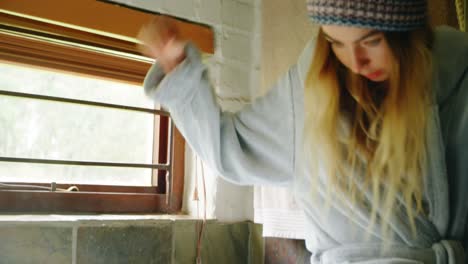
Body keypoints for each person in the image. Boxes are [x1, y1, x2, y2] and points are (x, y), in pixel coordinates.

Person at [137, 0, 468, 263]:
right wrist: (178, 69)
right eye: (336, 42)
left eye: (372, 41)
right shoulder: (309, 91)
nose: (355, 61)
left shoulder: (459, 77)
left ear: (408, 34)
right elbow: (230, 150)